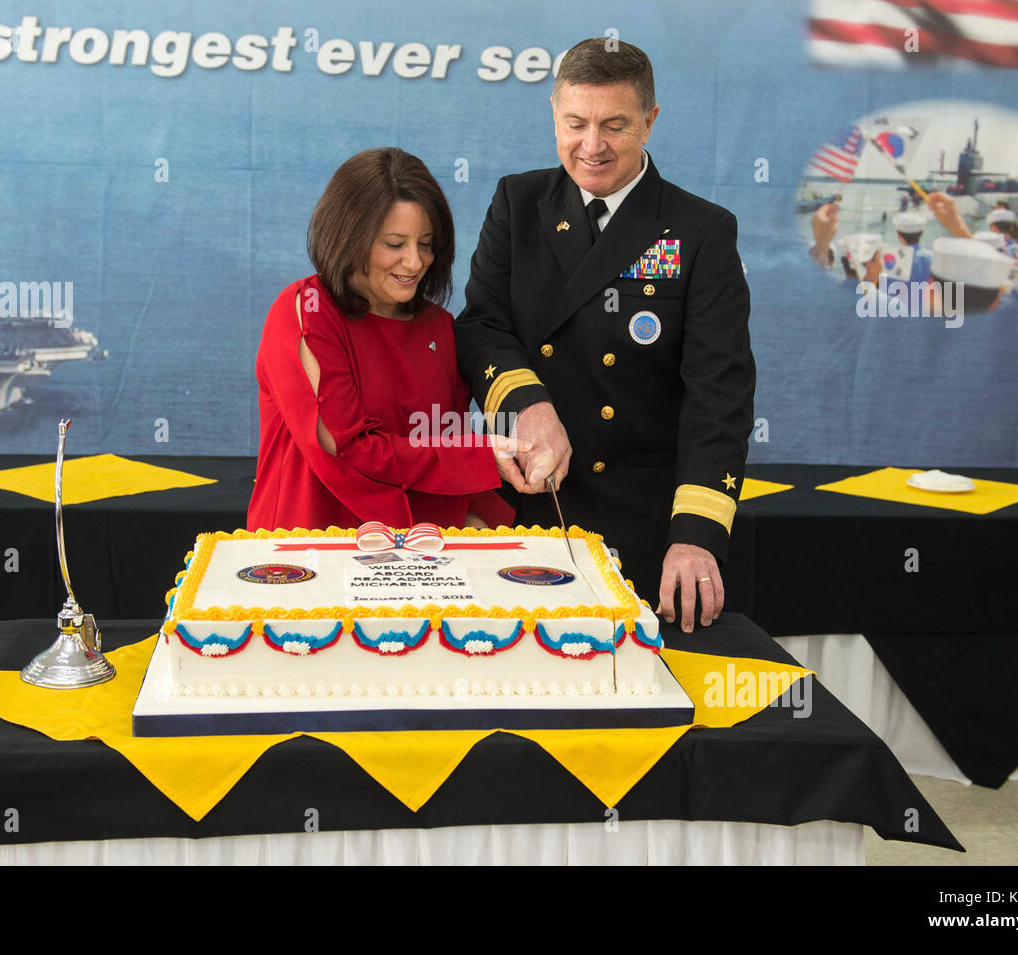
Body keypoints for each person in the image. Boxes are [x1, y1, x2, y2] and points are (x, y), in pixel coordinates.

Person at [453, 38, 755, 633]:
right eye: (575, 123)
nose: (592, 146)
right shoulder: (518, 202)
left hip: (643, 527)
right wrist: (528, 408)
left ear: (650, 121)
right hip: (531, 507)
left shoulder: (701, 231)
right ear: (554, 114)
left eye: (614, 125)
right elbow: (482, 325)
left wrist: (694, 537)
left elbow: (718, 396)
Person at [248, 148, 521, 532]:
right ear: (347, 236)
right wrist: (477, 460)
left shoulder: (439, 326)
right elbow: (343, 450)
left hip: (418, 557)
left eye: (426, 243)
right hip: (310, 551)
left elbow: (440, 445)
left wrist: (472, 517)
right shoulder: (306, 309)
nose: (415, 261)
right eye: (395, 244)